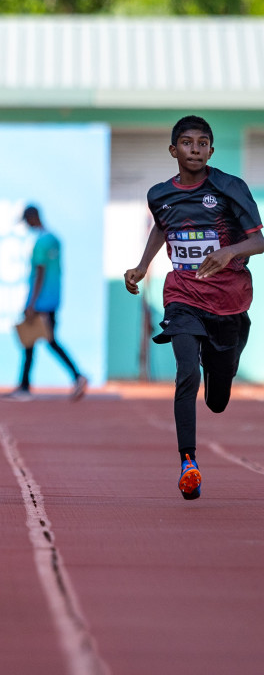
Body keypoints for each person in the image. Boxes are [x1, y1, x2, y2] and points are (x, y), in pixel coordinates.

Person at [124, 116, 263, 501]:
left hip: (228, 299)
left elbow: (259, 241)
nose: (196, 150)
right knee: (186, 371)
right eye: (187, 143)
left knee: (217, 400)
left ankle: (229, 354)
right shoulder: (159, 195)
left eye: (203, 143)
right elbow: (161, 227)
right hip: (183, 294)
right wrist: (142, 265)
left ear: (211, 151)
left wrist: (228, 252)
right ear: (174, 151)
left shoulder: (229, 188)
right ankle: (189, 462)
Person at [6, 205, 88, 401]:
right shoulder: (54, 239)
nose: (27, 226)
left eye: (27, 221)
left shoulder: (41, 242)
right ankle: (25, 385)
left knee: (46, 341)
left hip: (41, 302)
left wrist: (32, 304)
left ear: (33, 218)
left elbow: (40, 274)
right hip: (51, 300)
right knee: (32, 342)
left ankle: (77, 376)